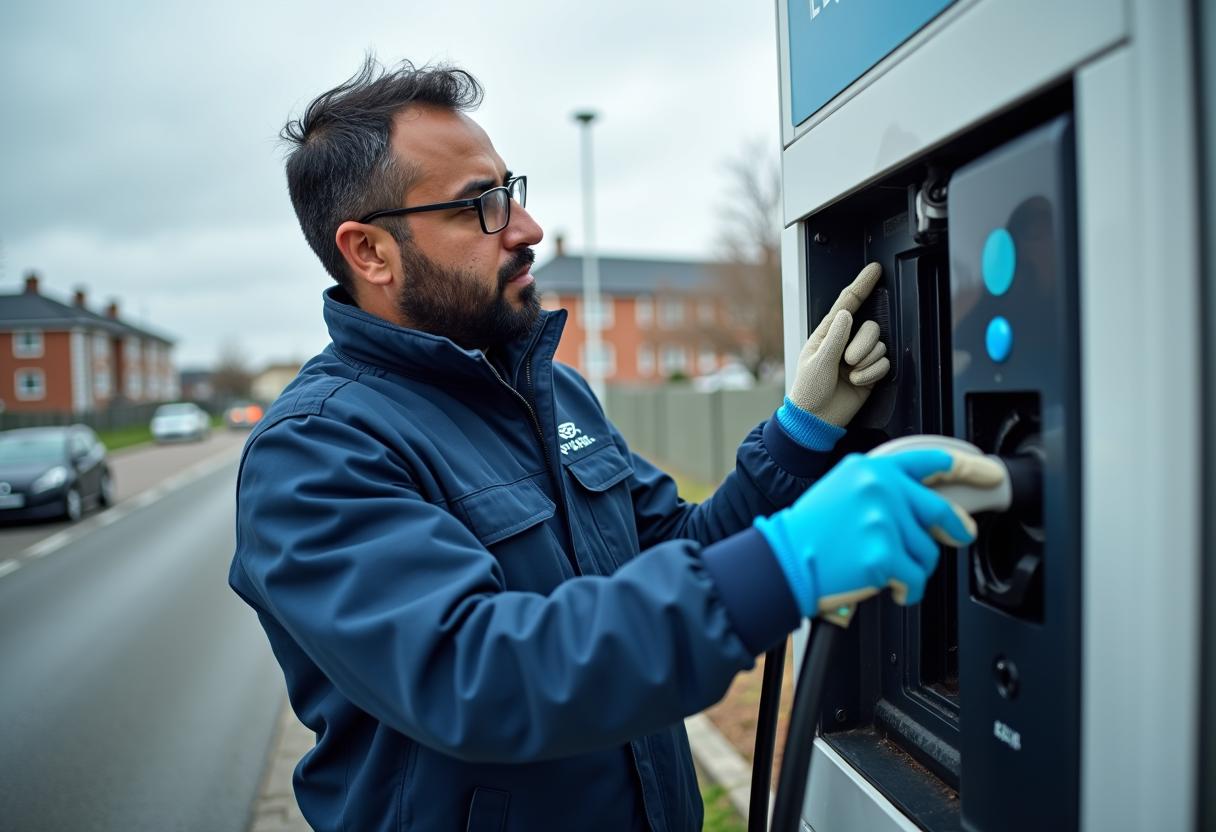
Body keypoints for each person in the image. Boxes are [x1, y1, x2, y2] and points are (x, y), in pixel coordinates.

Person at [229, 57, 993, 832]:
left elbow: (677, 545)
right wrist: (785, 566)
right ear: (369, 252)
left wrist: (802, 431)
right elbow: (482, 677)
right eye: (477, 207)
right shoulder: (317, 452)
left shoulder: (554, 393)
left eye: (511, 190)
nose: (523, 229)